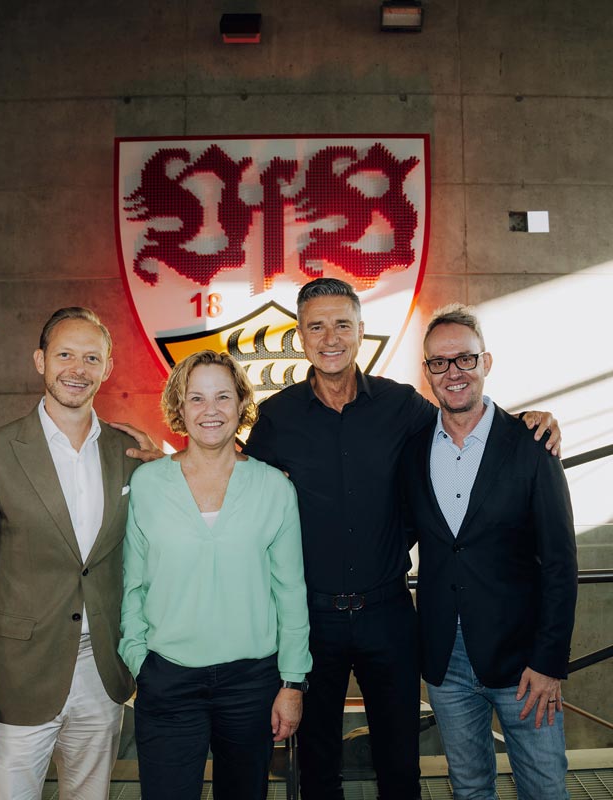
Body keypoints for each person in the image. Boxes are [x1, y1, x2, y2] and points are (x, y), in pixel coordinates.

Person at [240, 278, 563, 800]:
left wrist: (530, 420)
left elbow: (465, 423)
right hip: (310, 618)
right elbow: (239, 489)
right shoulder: (277, 417)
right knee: (317, 768)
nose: (330, 337)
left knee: (400, 766)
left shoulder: (403, 406)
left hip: (388, 613)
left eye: (342, 324)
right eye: (316, 326)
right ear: (299, 335)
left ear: (362, 332)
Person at [0, 307, 144, 800]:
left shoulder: (129, 454)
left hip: (103, 676)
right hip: (15, 681)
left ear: (108, 368)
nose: (78, 368)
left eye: (92, 358)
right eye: (65, 354)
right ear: (40, 360)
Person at [399, 304, 577, 800]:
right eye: (439, 362)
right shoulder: (413, 450)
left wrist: (549, 662)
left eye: (465, 359)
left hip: (524, 661)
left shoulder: (530, 444)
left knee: (544, 788)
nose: (453, 372)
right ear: (427, 371)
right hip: (444, 659)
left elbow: (561, 564)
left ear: (486, 363)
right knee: (470, 788)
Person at [119, 350, 311, 800]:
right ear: (179, 408)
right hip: (167, 679)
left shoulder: (274, 487)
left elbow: (291, 592)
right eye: (197, 398)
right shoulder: (148, 483)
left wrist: (292, 683)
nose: (211, 410)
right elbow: (132, 584)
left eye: (223, 397)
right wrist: (137, 659)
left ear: (242, 404)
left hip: (252, 684)